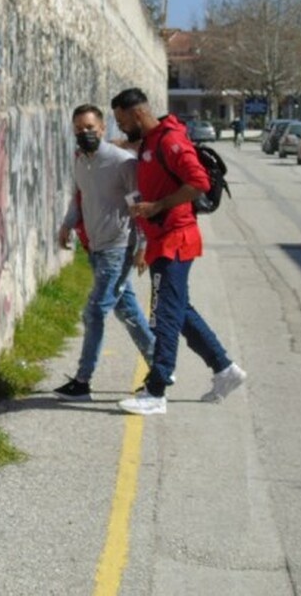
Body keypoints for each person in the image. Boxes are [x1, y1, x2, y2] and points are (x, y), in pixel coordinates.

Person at [109, 88, 247, 415]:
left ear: (138, 114)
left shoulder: (170, 141)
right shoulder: (151, 140)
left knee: (164, 316)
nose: (121, 127)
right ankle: (224, 369)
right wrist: (118, 145)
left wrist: (158, 205)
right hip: (162, 239)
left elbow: (198, 183)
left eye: (122, 121)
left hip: (175, 240)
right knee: (179, 310)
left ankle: (156, 392)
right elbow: (142, 152)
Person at [53, 104, 155, 401]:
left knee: (95, 311)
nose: (84, 133)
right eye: (78, 129)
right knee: (127, 311)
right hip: (96, 247)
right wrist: (67, 225)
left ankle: (83, 381)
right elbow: (80, 197)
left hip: (119, 246)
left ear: (102, 128)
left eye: (90, 128)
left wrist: (143, 246)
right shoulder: (80, 161)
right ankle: (161, 367)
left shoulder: (123, 162)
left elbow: (138, 206)